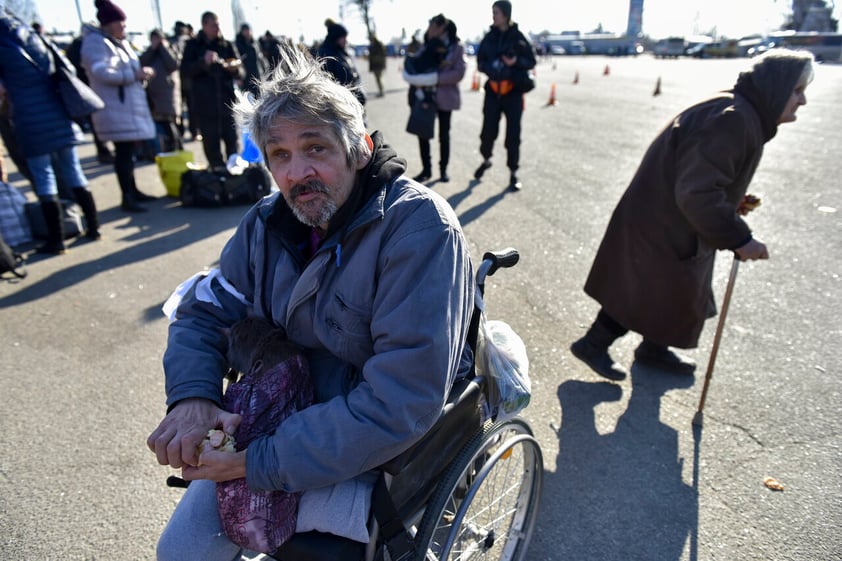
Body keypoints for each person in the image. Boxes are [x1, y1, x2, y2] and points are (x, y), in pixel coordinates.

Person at [148, 43, 474, 560]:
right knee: (181, 551)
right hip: (271, 420)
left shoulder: (418, 230)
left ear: (358, 147)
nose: (298, 172)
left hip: (369, 448)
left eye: (315, 147)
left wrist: (257, 462)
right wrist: (192, 397)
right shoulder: (263, 223)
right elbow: (203, 309)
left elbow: (401, 401)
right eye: (280, 154)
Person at [570, 49, 815, 381]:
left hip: (668, 217)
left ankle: (652, 349)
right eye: (797, 91)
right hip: (663, 221)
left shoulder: (740, 111)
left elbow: (701, 174)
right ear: (777, 87)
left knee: (676, 290)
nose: (802, 101)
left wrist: (731, 199)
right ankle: (592, 345)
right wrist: (741, 239)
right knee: (643, 289)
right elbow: (698, 192)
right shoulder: (735, 118)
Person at [0, 11, 100, 253]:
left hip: (29, 120)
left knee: (44, 177)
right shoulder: (34, 37)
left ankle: (56, 240)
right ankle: (94, 227)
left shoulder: (3, 47)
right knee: (74, 172)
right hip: (58, 114)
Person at [81, 0, 158, 213]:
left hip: (126, 108)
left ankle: (133, 190)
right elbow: (102, 73)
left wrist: (141, 74)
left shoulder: (117, 42)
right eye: (120, 23)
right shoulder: (96, 43)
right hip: (114, 109)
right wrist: (134, 75)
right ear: (109, 23)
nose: (124, 27)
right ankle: (127, 196)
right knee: (123, 154)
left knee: (128, 153)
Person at [473, 0, 536, 191]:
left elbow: (531, 61)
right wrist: (491, 66)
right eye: (493, 12)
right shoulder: (489, 37)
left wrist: (515, 61)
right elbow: (480, 62)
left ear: (506, 14)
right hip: (492, 91)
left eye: (496, 13)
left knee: (513, 135)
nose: (493, 16)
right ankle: (486, 159)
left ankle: (513, 173)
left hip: (513, 93)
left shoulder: (518, 37)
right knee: (488, 132)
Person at [403, 15, 466, 183]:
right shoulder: (427, 45)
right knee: (423, 133)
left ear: (441, 28)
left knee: (444, 135)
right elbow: (416, 64)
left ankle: (443, 170)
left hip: (445, 97)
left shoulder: (456, 47)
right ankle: (426, 170)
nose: (429, 30)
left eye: (431, 26)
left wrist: (436, 78)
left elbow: (459, 73)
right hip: (425, 97)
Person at [180, 11, 243, 169]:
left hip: (227, 104)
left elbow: (241, 71)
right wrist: (203, 62)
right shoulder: (193, 45)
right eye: (214, 25)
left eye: (218, 24)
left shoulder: (226, 45)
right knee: (211, 146)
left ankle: (234, 178)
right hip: (205, 106)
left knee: (233, 145)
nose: (217, 28)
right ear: (204, 25)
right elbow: (185, 70)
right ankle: (217, 177)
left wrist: (233, 69)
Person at [140, 29, 182, 153]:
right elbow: (141, 63)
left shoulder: (170, 49)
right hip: (154, 95)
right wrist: (152, 49)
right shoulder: (150, 52)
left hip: (169, 94)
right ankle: (165, 149)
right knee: (161, 126)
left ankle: (176, 148)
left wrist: (163, 48)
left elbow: (174, 64)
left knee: (171, 124)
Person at [317, 19, 366, 108]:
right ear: (335, 38)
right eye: (343, 37)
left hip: (354, 104)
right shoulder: (326, 55)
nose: (346, 41)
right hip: (342, 107)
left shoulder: (341, 52)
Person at [234, 23, 266, 97]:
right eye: (245, 30)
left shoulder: (255, 43)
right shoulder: (238, 45)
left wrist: (263, 72)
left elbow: (260, 60)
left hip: (257, 76)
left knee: (260, 98)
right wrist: (239, 78)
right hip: (246, 78)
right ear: (242, 32)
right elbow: (237, 61)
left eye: (248, 30)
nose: (247, 32)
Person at [367, 33, 386, 97]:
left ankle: (381, 91)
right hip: (379, 65)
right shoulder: (379, 45)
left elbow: (373, 57)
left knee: (378, 79)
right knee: (379, 78)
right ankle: (381, 90)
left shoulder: (375, 46)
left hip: (377, 65)